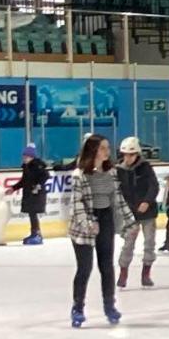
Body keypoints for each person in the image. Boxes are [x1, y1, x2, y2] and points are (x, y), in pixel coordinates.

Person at [63, 135, 122, 326]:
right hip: (83, 224)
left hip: (105, 220)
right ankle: (77, 307)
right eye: (103, 148)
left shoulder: (111, 172)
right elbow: (76, 203)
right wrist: (88, 223)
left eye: (108, 147)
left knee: (107, 266)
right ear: (93, 150)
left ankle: (109, 306)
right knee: (85, 267)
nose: (107, 151)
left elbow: (118, 199)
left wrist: (129, 222)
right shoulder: (79, 175)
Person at [114, 136, 161, 288]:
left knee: (149, 243)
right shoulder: (118, 170)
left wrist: (147, 201)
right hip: (130, 214)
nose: (128, 158)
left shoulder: (145, 167)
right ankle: (123, 272)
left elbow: (154, 186)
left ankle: (146, 273)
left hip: (147, 212)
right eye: (126, 155)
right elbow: (116, 192)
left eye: (131, 155)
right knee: (128, 243)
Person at [17, 144, 49, 246]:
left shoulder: (36, 165)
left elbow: (45, 175)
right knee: (32, 214)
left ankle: (37, 235)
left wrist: (38, 185)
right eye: (24, 156)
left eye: (26, 156)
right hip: (29, 194)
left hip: (36, 195)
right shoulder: (26, 167)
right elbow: (24, 181)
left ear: (32, 157)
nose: (24, 158)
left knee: (33, 213)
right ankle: (34, 233)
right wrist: (13, 188)